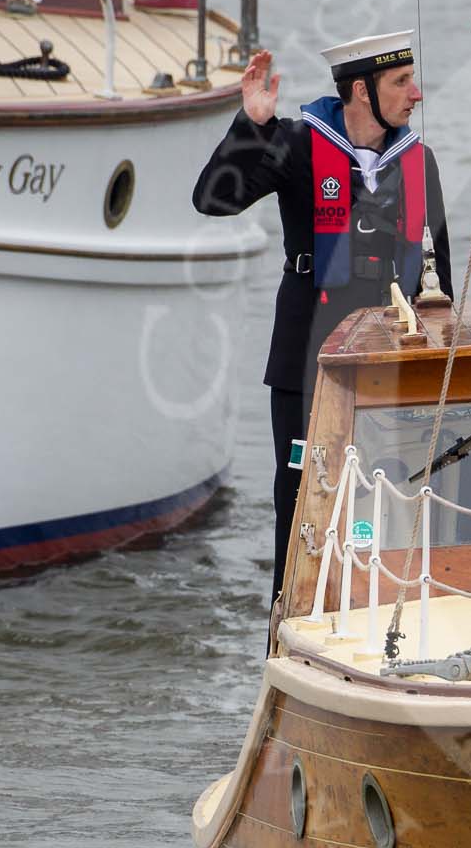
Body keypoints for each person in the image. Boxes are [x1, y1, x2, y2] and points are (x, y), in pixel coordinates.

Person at [191, 31, 452, 597]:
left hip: (391, 365)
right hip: (305, 364)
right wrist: (252, 127)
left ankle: (383, 619)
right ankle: (289, 630)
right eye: (402, 83)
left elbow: (441, 284)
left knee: (388, 500)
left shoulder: (420, 161)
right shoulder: (294, 144)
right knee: (302, 498)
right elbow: (211, 199)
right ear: (362, 91)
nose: (417, 95)